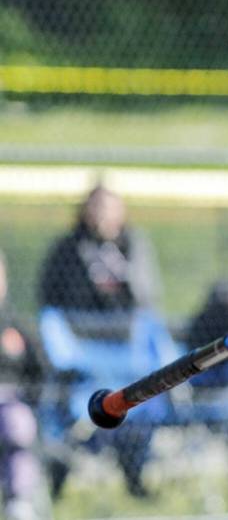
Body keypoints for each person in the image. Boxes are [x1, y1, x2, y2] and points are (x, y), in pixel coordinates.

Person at [36, 184, 174, 498]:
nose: (101, 215)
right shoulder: (68, 250)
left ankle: (135, 476)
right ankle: (59, 478)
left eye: (109, 208)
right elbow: (53, 305)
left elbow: (145, 301)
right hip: (81, 347)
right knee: (72, 412)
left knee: (145, 405)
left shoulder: (133, 245)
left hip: (128, 353)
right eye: (95, 207)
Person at [0, 249, 48, 519]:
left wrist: (30, 397)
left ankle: (17, 501)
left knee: (17, 420)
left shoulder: (15, 326)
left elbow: (41, 371)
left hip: (10, 403)